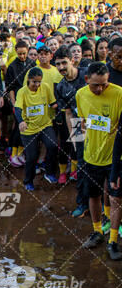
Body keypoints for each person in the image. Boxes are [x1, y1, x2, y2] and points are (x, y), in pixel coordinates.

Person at [76, 62, 122, 260]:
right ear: (87, 80)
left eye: (104, 84)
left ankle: (113, 240)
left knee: (116, 198)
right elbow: (80, 124)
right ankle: (97, 232)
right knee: (92, 195)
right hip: (90, 156)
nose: (100, 88)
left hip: (114, 158)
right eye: (95, 85)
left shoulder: (119, 93)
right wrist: (78, 151)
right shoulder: (80, 95)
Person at [53, 46, 89, 216]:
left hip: (98, 127)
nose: (61, 67)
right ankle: (83, 204)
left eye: (63, 63)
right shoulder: (60, 87)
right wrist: (74, 138)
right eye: (58, 64)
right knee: (81, 166)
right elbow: (68, 113)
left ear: (72, 60)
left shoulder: (87, 74)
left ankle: (106, 208)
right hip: (78, 126)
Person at [15, 67, 58, 190]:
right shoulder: (22, 92)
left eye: (39, 81)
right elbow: (17, 109)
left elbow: (52, 103)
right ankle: (28, 181)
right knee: (32, 156)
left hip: (45, 125)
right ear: (29, 80)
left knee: (53, 145)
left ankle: (49, 173)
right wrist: (21, 121)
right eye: (34, 82)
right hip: (28, 129)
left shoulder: (45, 87)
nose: (37, 84)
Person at [4, 40, 35, 167]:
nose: (22, 56)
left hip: (30, 100)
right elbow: (10, 86)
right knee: (18, 125)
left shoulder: (32, 64)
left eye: (24, 54)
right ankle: (14, 153)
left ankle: (21, 152)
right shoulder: (12, 66)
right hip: (17, 98)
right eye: (19, 54)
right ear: (16, 52)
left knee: (27, 125)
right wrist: (13, 102)